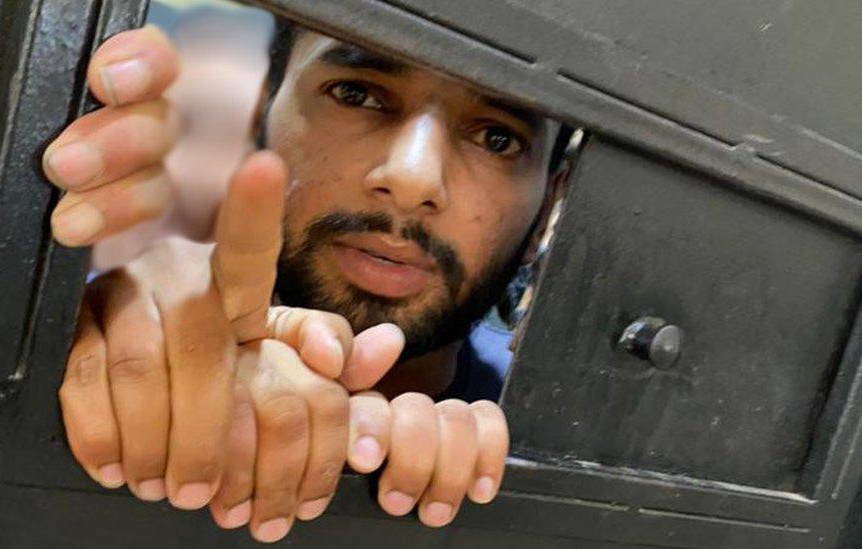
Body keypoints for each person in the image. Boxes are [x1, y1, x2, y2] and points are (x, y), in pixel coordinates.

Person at [43, 19, 570, 543]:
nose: (412, 180)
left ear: (548, 207)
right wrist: (91, 329)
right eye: (356, 93)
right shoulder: (96, 312)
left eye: (497, 138)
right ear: (257, 123)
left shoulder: (554, 435)